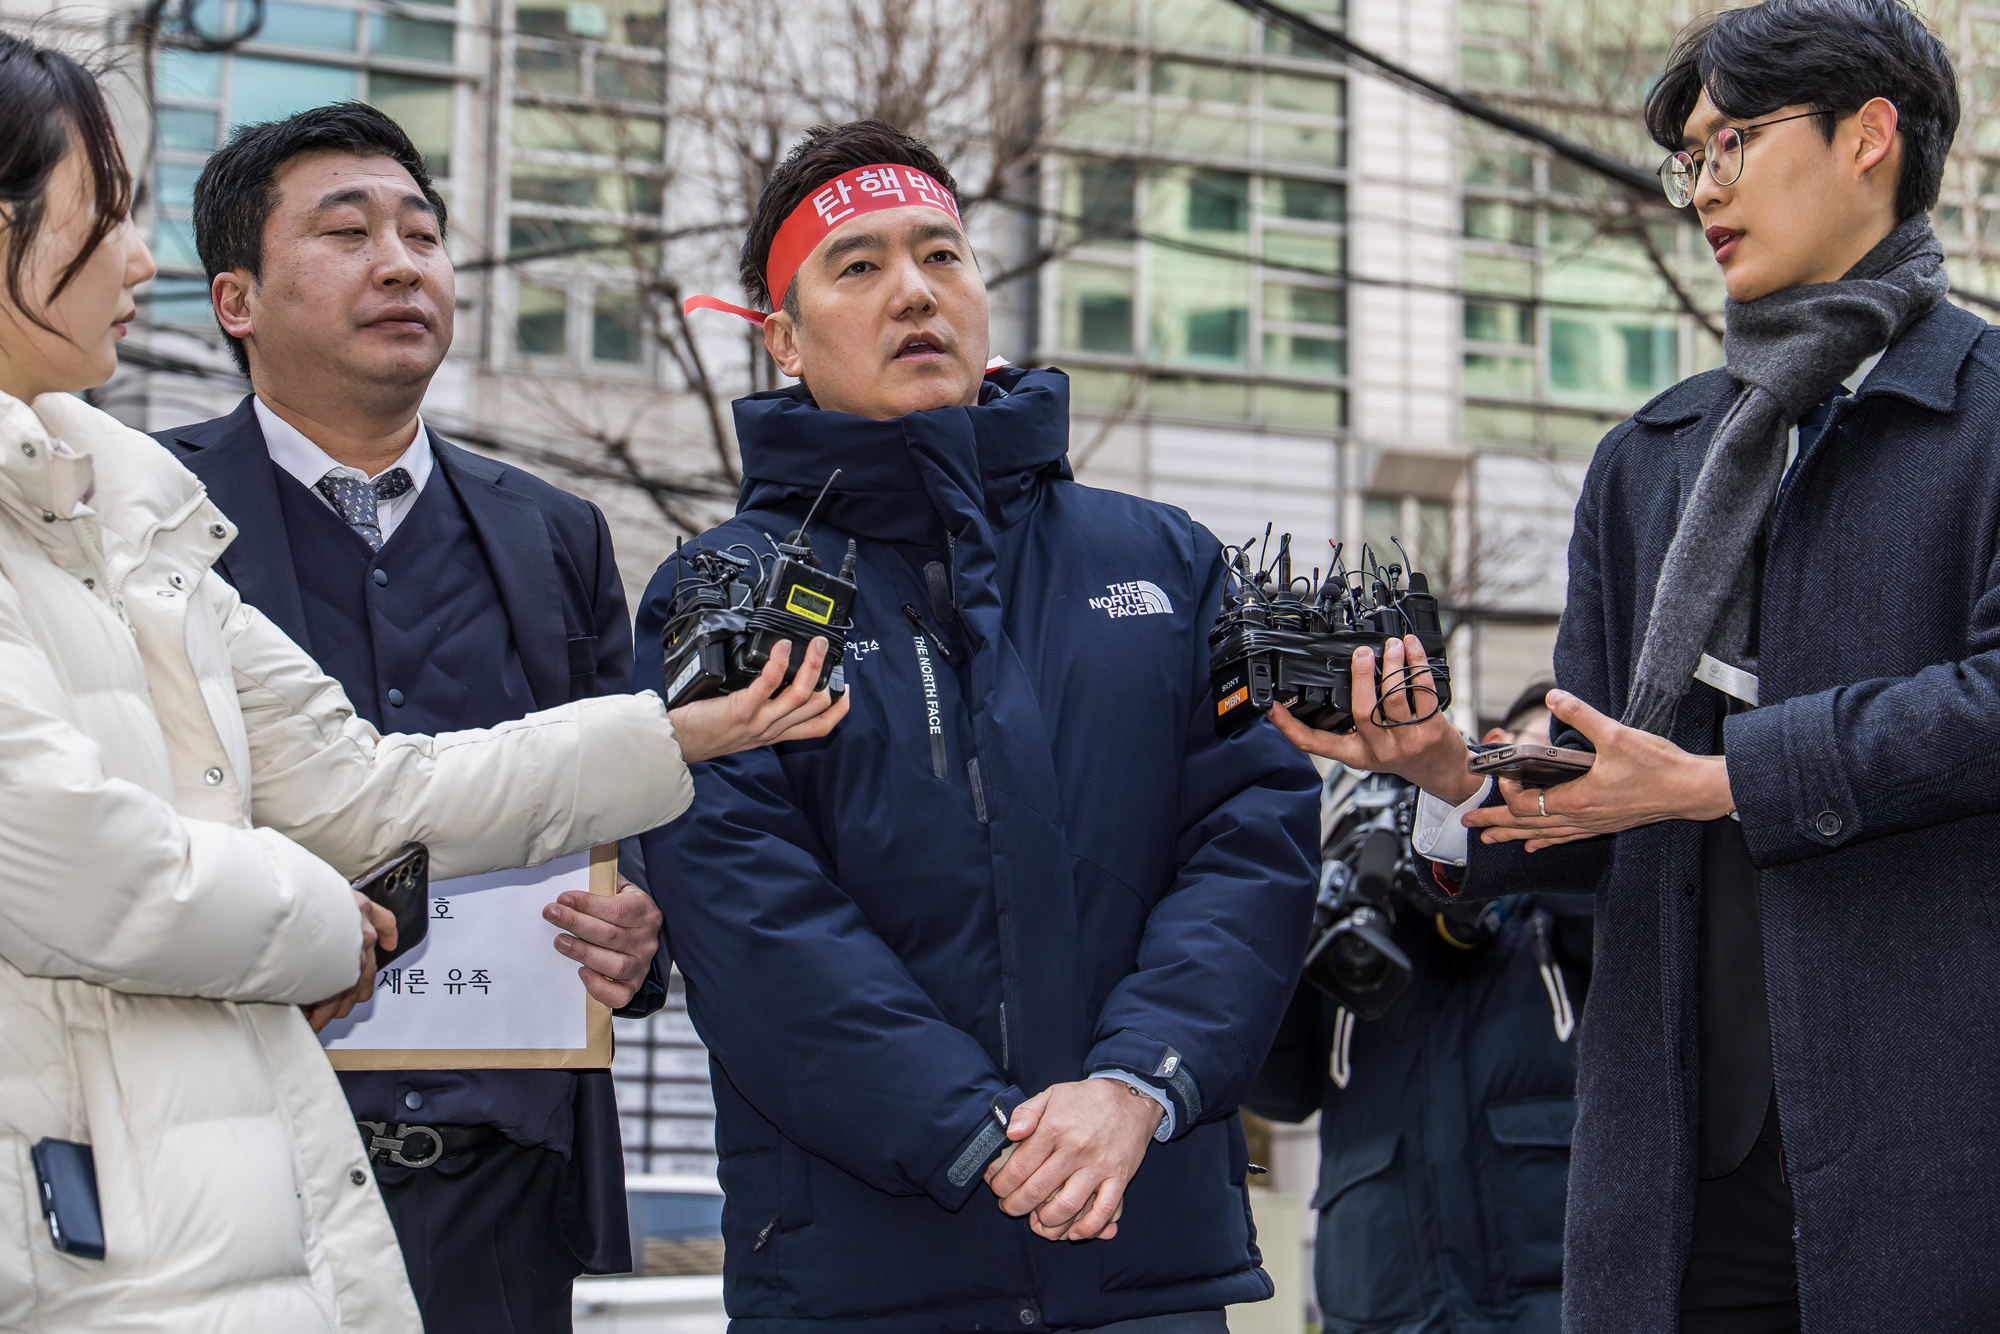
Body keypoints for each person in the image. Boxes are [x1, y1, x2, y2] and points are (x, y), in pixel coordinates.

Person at [0, 35, 820, 1334]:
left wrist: (673, 742)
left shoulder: (129, 520)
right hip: (105, 1194)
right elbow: (90, 869)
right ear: (241, 298)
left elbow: (367, 784)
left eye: (422, 230)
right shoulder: (164, 499)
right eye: (103, 218)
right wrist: (341, 928)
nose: (135, 260)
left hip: (421, 1183)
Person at [1274, 3, 2000, 1331]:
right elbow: (1600, 785)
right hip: (1677, 1167)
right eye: (1690, 159)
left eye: (1734, 143)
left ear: (1870, 138)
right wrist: (1446, 764)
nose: (1703, 188)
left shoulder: (1990, 416)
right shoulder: (1651, 460)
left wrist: (1718, 781)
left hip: (1942, 1153)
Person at [634, 120, 1321, 1330]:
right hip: (863, 1271)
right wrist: (977, 1132)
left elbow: (1250, 840)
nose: (913, 291)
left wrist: (1132, 1083)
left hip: (1142, 1250)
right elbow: (747, 909)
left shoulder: (1163, 561)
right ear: (783, 340)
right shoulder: (721, 593)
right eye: (857, 266)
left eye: (941, 255)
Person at [1250, 682, 1592, 1334]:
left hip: (1556, 1305)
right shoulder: (1351, 929)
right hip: (1387, 1306)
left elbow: (1628, 932)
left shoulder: (1567, 911)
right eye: (1531, 755)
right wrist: (1291, 917)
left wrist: (1482, 857)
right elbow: (1278, 1091)